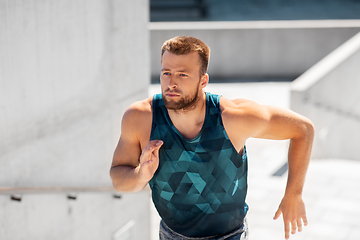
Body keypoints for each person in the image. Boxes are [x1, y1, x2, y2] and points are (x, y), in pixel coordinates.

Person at [110, 36, 314, 240]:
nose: (171, 83)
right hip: (172, 235)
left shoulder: (233, 118)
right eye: (166, 73)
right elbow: (119, 178)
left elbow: (303, 129)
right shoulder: (141, 118)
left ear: (203, 81)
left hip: (230, 236)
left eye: (183, 74)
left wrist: (293, 195)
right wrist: (142, 174)